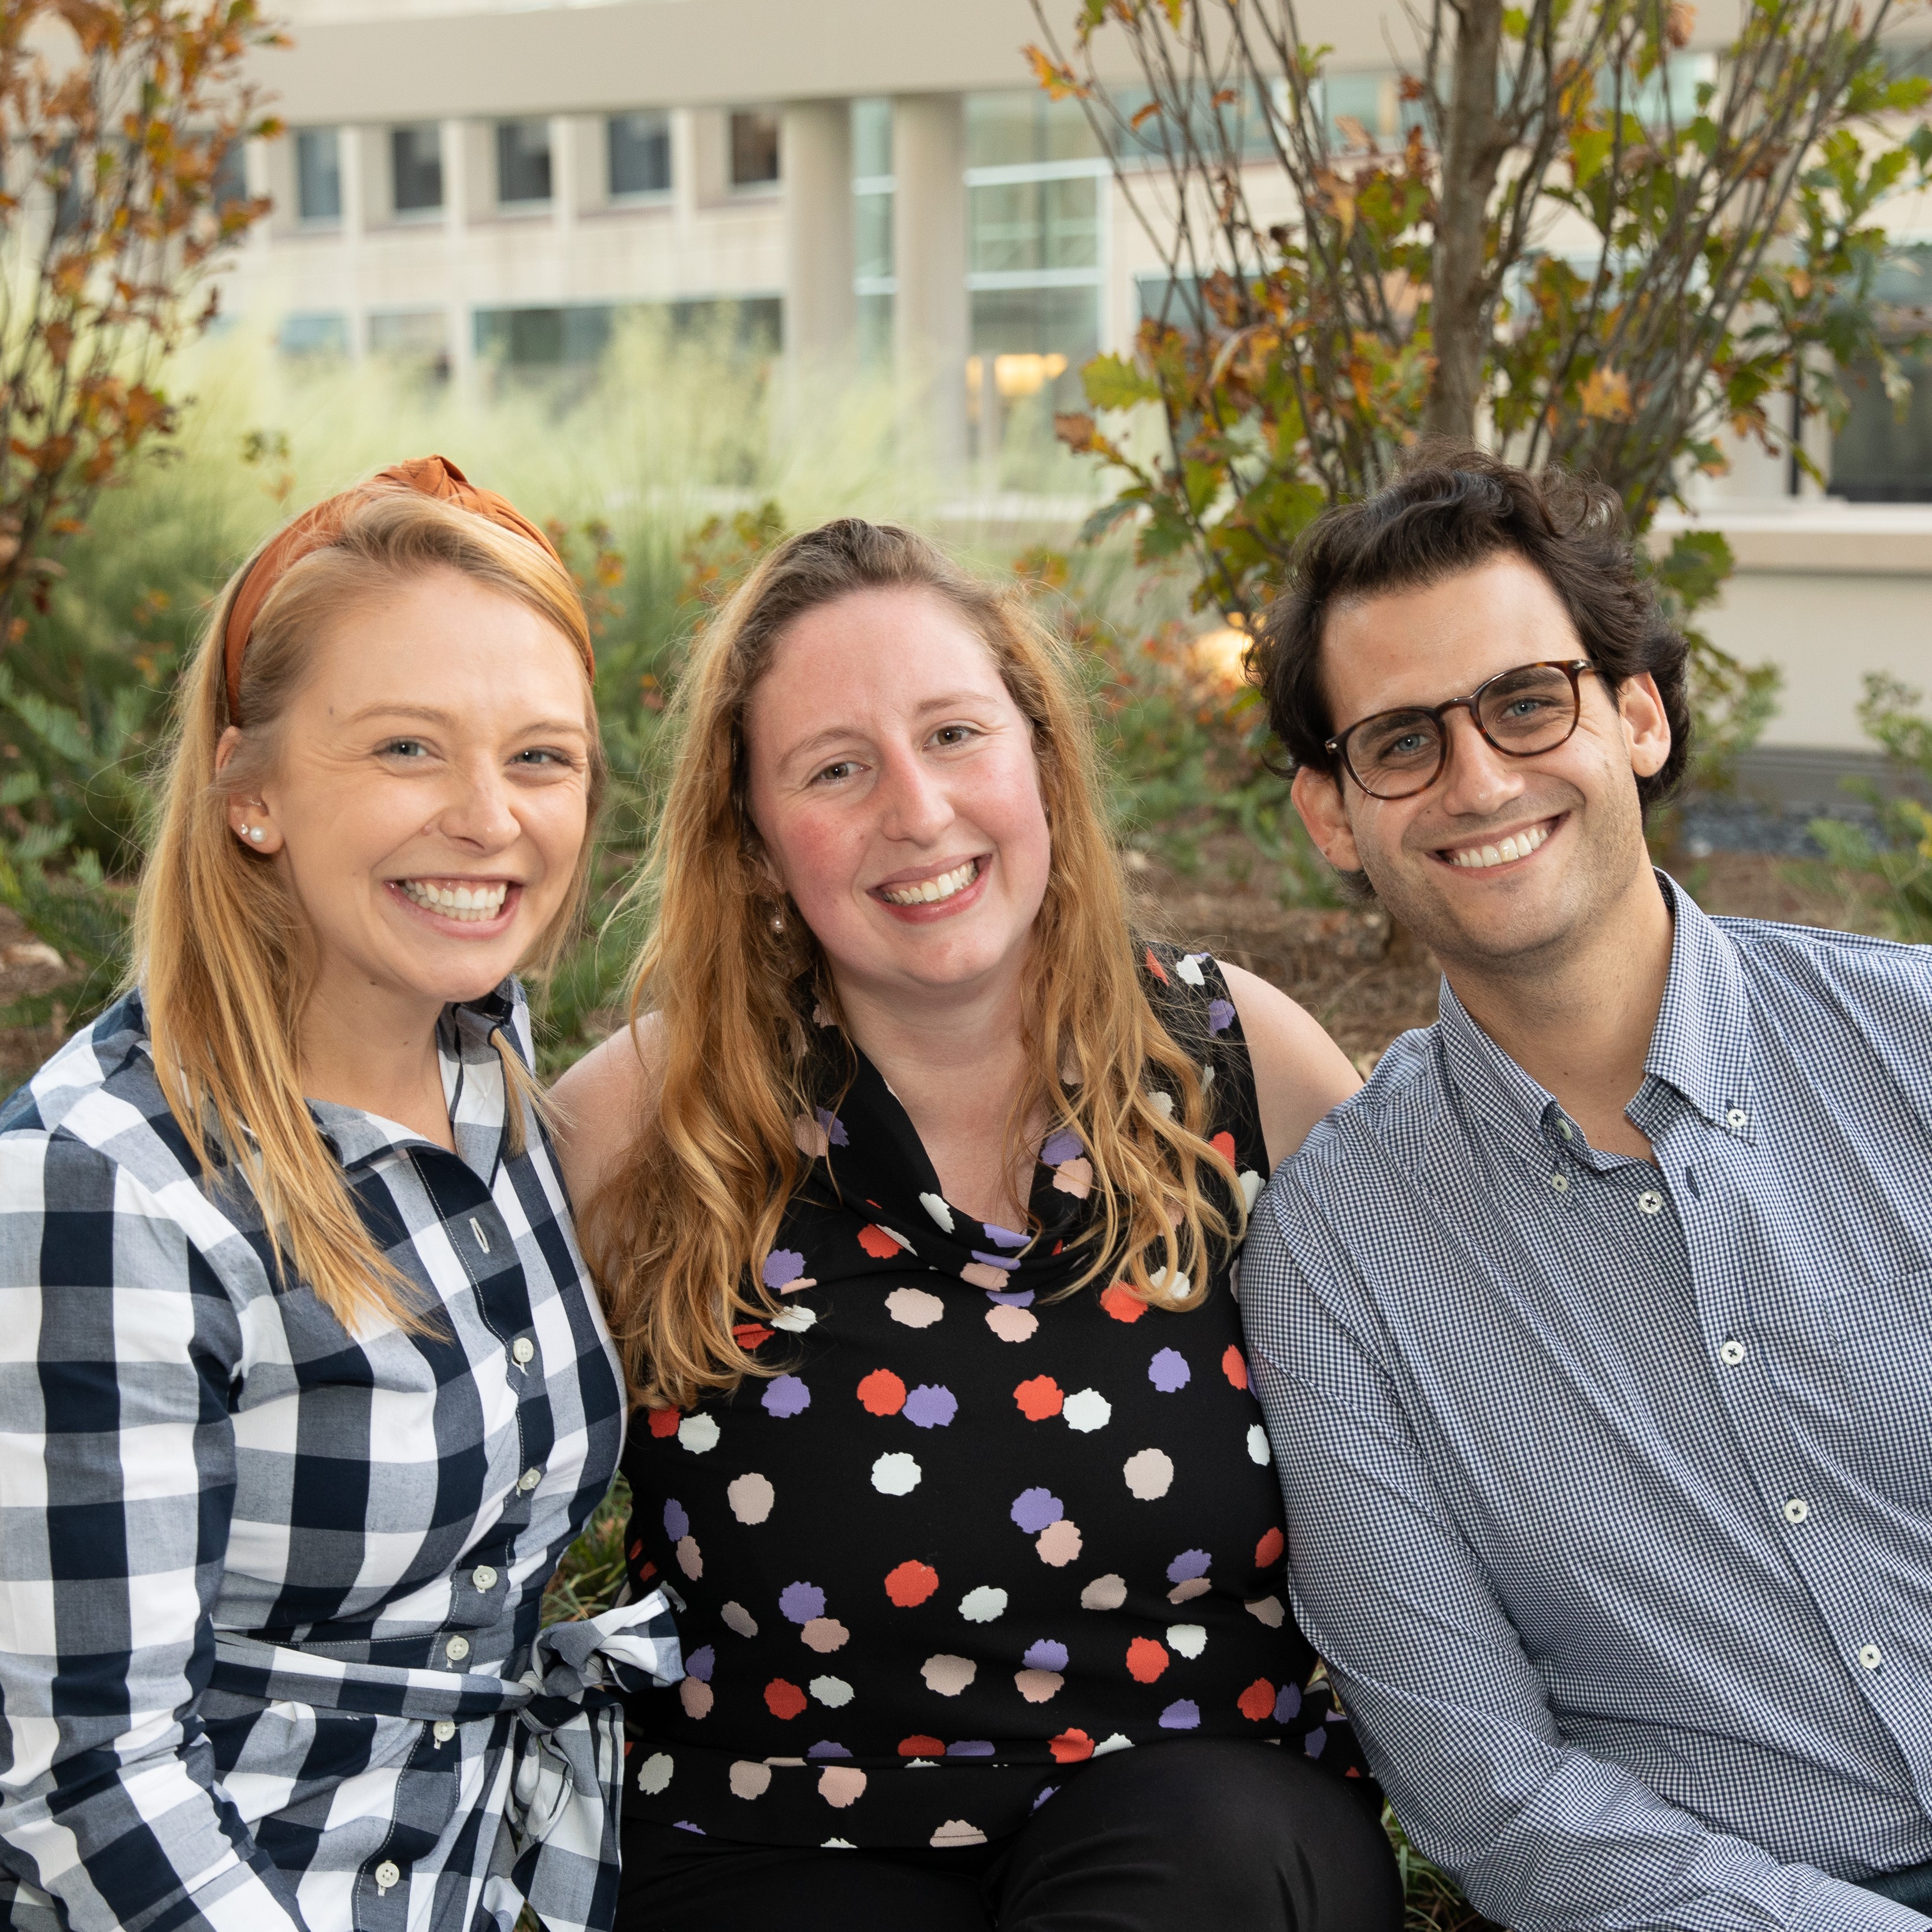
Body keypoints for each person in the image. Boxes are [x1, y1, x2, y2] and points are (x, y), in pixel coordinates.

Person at [552, 517, 1403, 1931]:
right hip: (775, 1831)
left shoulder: (1238, 1066)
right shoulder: (655, 1121)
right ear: (757, 846)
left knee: (1203, 1863)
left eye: (955, 734)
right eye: (835, 768)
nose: (918, 810)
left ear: (1042, 768)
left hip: (1204, 1813)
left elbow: (1480, 1403)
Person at [1241, 444, 1932, 1932]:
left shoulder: (1915, 1052)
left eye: (1525, 702)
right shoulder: (1332, 1264)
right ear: (1330, 814)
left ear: (1636, 715)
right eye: (1402, 741)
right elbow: (1492, 1791)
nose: (1479, 778)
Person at [0, 459, 679, 1932]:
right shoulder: (101, 1187)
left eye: (542, 757)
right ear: (251, 795)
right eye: (405, 751)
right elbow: (87, 1791)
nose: (488, 819)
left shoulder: (482, 1054)